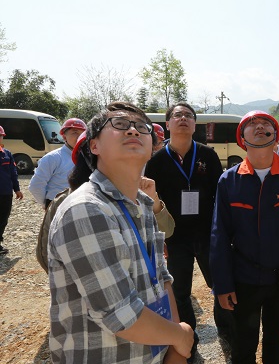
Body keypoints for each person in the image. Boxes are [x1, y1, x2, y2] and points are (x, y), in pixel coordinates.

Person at [47, 102, 194, 363]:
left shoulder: (142, 203)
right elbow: (120, 314)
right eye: (120, 125)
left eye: (142, 127)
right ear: (94, 146)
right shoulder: (86, 209)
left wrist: (174, 349)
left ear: (152, 147)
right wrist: (180, 337)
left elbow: (161, 278)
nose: (133, 131)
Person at [210, 110, 279, 364]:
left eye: (266, 123)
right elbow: (219, 235)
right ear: (242, 138)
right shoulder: (229, 180)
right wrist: (222, 284)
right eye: (252, 124)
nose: (260, 127)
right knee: (243, 341)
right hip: (244, 277)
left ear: (276, 136)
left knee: (276, 337)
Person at [144, 102, 231, 361]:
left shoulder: (208, 155)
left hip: (207, 234)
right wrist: (158, 238)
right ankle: (188, 342)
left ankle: (226, 332)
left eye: (188, 116)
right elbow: (150, 201)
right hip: (174, 237)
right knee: (180, 292)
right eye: (177, 115)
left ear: (194, 124)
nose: (183, 118)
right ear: (167, 124)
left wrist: (222, 232)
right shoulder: (156, 160)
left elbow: (220, 196)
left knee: (220, 285)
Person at [36, 131, 175, 274]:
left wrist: (153, 199)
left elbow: (167, 230)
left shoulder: (135, 194)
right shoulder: (66, 200)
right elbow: (46, 254)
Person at [29, 118, 86, 208]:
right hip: (58, 204)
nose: (79, 137)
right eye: (74, 133)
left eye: (82, 133)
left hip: (81, 204)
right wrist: (47, 205)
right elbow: (36, 185)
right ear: (64, 136)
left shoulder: (88, 157)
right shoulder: (52, 158)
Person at [0, 125, 24, 255]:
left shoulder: (7, 154)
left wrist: (17, 189)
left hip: (5, 193)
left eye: (0, 136)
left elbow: (13, 173)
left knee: (3, 218)